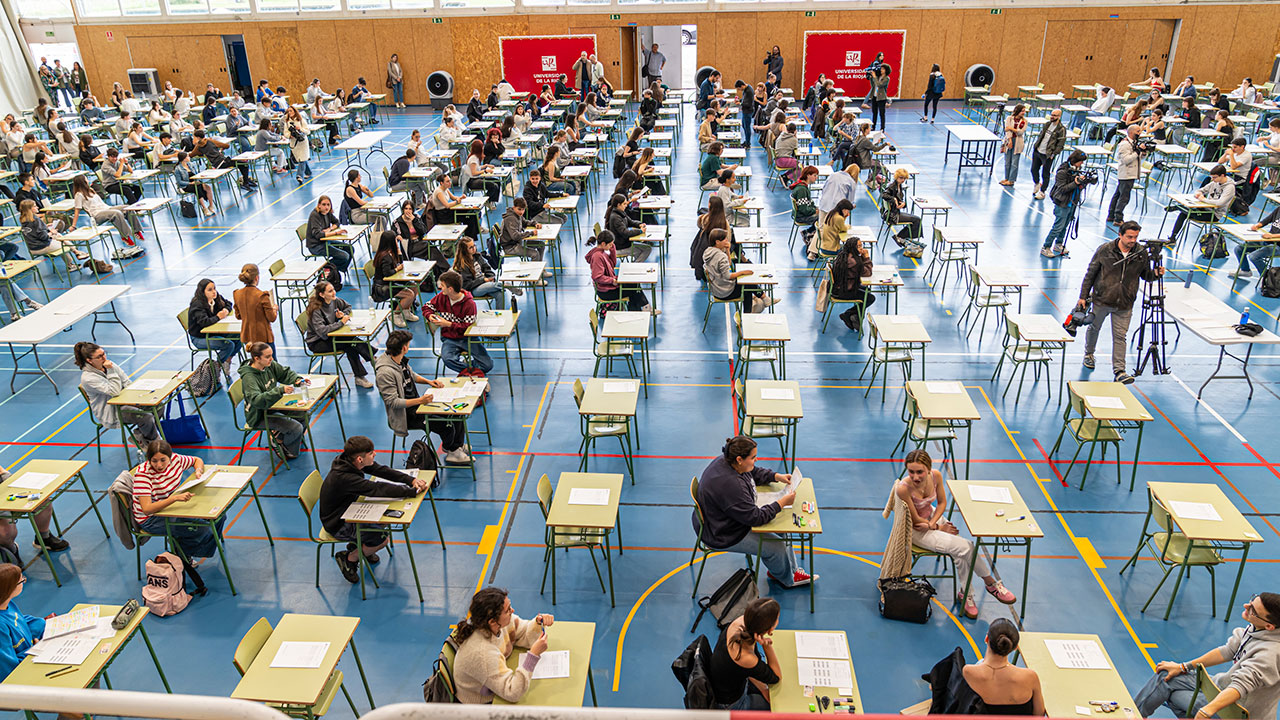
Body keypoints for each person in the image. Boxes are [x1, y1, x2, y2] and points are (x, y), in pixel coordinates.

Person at [897, 449, 1015, 617]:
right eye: (911, 472)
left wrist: (934, 522)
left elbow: (942, 503)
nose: (915, 477)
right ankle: (990, 582)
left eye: (920, 472)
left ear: (929, 469)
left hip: (931, 520)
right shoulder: (903, 489)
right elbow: (916, 522)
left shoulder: (936, 476)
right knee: (967, 547)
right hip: (917, 532)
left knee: (960, 553)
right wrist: (938, 528)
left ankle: (966, 594)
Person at [1134, 592, 1280, 720]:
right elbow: (1227, 651)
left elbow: (1240, 686)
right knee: (1166, 675)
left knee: (1172, 695)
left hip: (1236, 710)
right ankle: (1134, 714)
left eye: (1253, 610)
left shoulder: (1269, 654)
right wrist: (1183, 667)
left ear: (1269, 626)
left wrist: (1207, 711)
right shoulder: (1257, 628)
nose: (1245, 606)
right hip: (1221, 687)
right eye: (1251, 600)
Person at [694, 436, 814, 587]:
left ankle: (789, 570)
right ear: (739, 459)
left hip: (724, 520)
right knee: (777, 548)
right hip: (723, 533)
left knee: (782, 528)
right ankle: (786, 579)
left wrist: (776, 476)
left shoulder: (728, 461)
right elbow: (755, 518)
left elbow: (752, 472)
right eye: (753, 457)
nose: (756, 460)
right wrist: (781, 503)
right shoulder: (730, 485)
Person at [319, 435, 427, 582]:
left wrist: (410, 480)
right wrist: (410, 492)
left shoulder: (348, 461)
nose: (374, 454)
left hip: (348, 509)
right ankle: (349, 558)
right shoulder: (344, 477)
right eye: (371, 453)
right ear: (360, 459)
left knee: (384, 522)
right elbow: (377, 489)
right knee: (382, 540)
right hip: (338, 523)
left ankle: (361, 546)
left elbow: (382, 470)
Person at [1078, 221, 1163, 384]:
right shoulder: (1105, 250)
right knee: (1094, 328)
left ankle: (1120, 371)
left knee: (1120, 336)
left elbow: (1145, 275)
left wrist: (1156, 274)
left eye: (1135, 237)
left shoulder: (1140, 252)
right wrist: (1083, 296)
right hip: (1103, 299)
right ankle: (1089, 354)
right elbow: (1091, 273)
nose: (1133, 240)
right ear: (1120, 235)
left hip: (1125, 302)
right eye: (1129, 237)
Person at [130, 440, 219, 593]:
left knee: (218, 517)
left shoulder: (176, 460)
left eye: (163, 460)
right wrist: (173, 499)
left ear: (170, 457)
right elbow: (147, 509)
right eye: (154, 461)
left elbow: (197, 460)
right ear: (148, 460)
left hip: (171, 508)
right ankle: (183, 558)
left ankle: (185, 553)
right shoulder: (143, 476)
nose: (159, 465)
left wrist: (199, 471)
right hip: (151, 519)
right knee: (202, 529)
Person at [375, 330, 471, 466]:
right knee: (446, 425)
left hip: (418, 406)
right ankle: (452, 451)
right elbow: (393, 402)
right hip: (407, 415)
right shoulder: (385, 373)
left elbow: (412, 375)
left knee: (455, 413)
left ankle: (456, 446)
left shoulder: (399, 360)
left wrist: (429, 382)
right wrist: (421, 401)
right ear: (404, 348)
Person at [451, 586, 554, 704]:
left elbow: (523, 633)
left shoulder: (499, 624)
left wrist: (537, 623)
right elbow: (513, 692)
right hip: (481, 705)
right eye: (508, 610)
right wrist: (533, 656)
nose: (513, 611)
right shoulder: (482, 653)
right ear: (492, 621)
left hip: (494, 686)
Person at [75, 341, 161, 453]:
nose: (104, 357)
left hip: (127, 400)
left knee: (157, 404)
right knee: (145, 417)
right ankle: (155, 446)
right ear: (89, 360)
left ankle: (140, 437)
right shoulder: (88, 378)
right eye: (99, 356)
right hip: (113, 410)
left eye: (104, 353)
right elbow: (114, 391)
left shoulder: (109, 364)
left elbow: (126, 381)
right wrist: (110, 371)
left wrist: (138, 397)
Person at [707, 597, 781, 710]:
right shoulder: (745, 656)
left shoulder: (740, 622)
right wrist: (767, 647)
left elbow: (746, 668)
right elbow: (776, 677)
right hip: (729, 703)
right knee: (775, 707)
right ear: (770, 630)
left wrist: (762, 688)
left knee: (765, 690)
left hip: (725, 682)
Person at [238, 343, 308, 460]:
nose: (272, 359)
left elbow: (284, 373)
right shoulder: (249, 378)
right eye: (268, 356)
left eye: (271, 355)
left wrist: (297, 380)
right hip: (258, 415)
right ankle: (284, 448)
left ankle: (282, 438)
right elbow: (256, 400)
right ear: (257, 359)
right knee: (296, 428)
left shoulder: (268, 365)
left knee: (303, 414)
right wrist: (279, 390)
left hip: (272, 405)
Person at [965, 619, 1045, 715]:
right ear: (1015, 647)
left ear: (986, 639)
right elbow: (1039, 714)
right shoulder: (1031, 677)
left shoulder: (968, 672)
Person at [305, 281, 375, 388]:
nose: (334, 293)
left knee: (350, 344)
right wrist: (341, 323)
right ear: (322, 295)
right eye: (330, 291)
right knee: (348, 342)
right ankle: (371, 358)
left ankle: (360, 376)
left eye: (333, 289)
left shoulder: (334, 301)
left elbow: (348, 307)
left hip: (331, 336)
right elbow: (323, 331)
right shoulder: (316, 310)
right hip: (318, 342)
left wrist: (343, 315)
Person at [427, 270, 494, 375]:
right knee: (448, 359)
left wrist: (448, 324)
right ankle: (473, 372)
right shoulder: (441, 297)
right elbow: (427, 307)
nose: (440, 288)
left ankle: (468, 370)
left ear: (450, 289)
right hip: (450, 338)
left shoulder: (469, 304)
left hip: (468, 338)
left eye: (443, 285)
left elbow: (467, 327)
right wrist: (429, 315)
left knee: (488, 365)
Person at [587, 230, 656, 315]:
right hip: (606, 292)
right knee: (634, 288)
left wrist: (613, 249)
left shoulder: (602, 253)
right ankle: (643, 309)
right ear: (603, 244)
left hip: (609, 286)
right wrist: (612, 280)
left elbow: (612, 264)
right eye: (610, 244)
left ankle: (638, 311)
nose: (611, 246)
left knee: (634, 284)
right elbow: (597, 277)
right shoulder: (597, 256)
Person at [69, 176, 144, 253]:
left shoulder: (91, 190)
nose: (88, 180)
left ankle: (136, 230)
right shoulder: (79, 195)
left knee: (127, 208)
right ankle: (125, 236)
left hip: (106, 208)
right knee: (116, 213)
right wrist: (73, 226)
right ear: (83, 182)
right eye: (86, 179)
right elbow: (77, 211)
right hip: (97, 215)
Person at [1039, 149, 1090, 258]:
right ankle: (1046, 246)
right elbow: (1062, 189)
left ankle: (1059, 244)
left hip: (1072, 202)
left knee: (1065, 225)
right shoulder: (1062, 172)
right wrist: (1075, 183)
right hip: (1062, 202)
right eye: (1081, 161)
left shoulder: (1077, 170)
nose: (1082, 164)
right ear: (1075, 160)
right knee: (1058, 226)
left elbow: (1078, 187)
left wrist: (1083, 182)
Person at [188, 278, 241, 380]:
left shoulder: (216, 298)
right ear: (202, 292)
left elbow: (228, 304)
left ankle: (227, 361)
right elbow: (204, 322)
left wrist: (225, 310)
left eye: (214, 288)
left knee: (239, 336)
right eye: (210, 290)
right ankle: (216, 368)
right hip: (200, 337)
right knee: (228, 345)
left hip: (213, 332)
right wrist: (218, 317)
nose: (214, 292)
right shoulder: (197, 305)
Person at [19, 199, 90, 274]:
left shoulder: (24, 220)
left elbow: (34, 232)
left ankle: (77, 252)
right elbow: (44, 237)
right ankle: (70, 264)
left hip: (32, 248)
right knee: (61, 244)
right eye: (34, 206)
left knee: (58, 235)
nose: (37, 207)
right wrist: (51, 232)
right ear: (29, 209)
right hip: (41, 247)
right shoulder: (36, 220)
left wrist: (45, 227)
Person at [1166, 165, 1235, 242]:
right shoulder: (1215, 182)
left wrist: (1204, 199)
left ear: (1222, 175)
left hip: (1213, 214)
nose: (1212, 179)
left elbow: (1220, 203)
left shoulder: (1230, 187)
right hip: (1205, 208)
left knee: (1186, 212)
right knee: (1183, 213)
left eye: (1214, 177)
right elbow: (1200, 190)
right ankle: (1172, 238)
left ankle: (1179, 207)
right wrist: (1199, 194)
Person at [703, 227, 764, 313]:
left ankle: (762, 298)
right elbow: (728, 276)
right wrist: (742, 272)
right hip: (724, 292)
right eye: (724, 239)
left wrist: (727, 250)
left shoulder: (708, 252)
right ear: (717, 242)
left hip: (716, 289)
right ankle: (750, 312)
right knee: (747, 286)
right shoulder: (720, 256)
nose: (727, 240)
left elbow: (727, 264)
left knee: (747, 285)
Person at [455, 235, 511, 310]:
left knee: (500, 293)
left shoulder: (477, 256)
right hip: (473, 289)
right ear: (464, 250)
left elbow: (487, 268)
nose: (474, 248)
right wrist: (483, 280)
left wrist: (490, 277)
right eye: (470, 247)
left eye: (474, 245)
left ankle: (500, 315)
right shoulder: (462, 265)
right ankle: (505, 285)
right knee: (492, 286)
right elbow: (467, 285)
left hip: (485, 283)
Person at [831, 235, 874, 331]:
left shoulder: (844, 255)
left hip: (837, 288)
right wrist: (866, 258)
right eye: (858, 246)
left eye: (861, 245)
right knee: (870, 297)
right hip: (843, 292)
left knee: (866, 290)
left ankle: (856, 317)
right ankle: (849, 314)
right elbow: (867, 273)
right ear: (852, 247)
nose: (861, 248)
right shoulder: (854, 262)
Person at [233, 263, 278, 352]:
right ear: (257, 278)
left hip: (247, 335)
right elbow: (272, 318)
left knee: (255, 361)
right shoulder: (262, 295)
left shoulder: (237, 294)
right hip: (263, 336)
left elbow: (238, 316)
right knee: (271, 363)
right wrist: (274, 309)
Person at [307, 195, 355, 277]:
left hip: (326, 240)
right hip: (316, 246)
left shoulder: (327, 213)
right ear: (319, 205)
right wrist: (335, 233)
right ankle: (324, 269)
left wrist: (330, 229)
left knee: (350, 248)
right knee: (344, 256)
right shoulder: (314, 215)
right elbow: (318, 235)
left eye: (328, 205)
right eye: (324, 204)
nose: (326, 207)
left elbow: (336, 222)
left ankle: (335, 272)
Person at [1106, 125, 1145, 225]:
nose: (1140, 133)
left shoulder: (1134, 143)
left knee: (1118, 195)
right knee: (1124, 197)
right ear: (1131, 133)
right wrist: (1137, 151)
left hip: (1131, 173)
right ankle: (1118, 218)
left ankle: (1111, 215)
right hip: (1126, 174)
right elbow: (1126, 160)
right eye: (1138, 131)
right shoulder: (1124, 144)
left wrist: (1143, 152)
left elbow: (1138, 158)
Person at [1230, 207, 1280, 281]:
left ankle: (1267, 280)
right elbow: (1268, 219)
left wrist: (1272, 236)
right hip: (1268, 240)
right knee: (1239, 249)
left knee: (1254, 257)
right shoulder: (1279, 209)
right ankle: (1245, 270)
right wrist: (1257, 225)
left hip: (1277, 245)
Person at [1030, 109, 1066, 200]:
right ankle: (1037, 183)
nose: (1052, 117)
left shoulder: (1061, 129)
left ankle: (1042, 192)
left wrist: (1053, 154)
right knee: (1034, 169)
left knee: (1045, 174)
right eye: (1052, 115)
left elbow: (1061, 144)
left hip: (1048, 154)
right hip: (1038, 150)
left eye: (1055, 115)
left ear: (1059, 117)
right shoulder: (1047, 124)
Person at [1000, 103, 1027, 186]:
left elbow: (1020, 132)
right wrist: (1010, 140)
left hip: (1018, 142)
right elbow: (1006, 130)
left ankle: (1011, 180)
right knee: (1007, 161)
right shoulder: (1009, 118)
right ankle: (1007, 178)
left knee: (1014, 163)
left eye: (1024, 111)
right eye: (1022, 111)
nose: (1023, 113)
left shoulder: (1024, 121)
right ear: (1017, 111)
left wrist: (1011, 128)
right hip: (1009, 141)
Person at [284, 106, 313, 183]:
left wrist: (300, 129)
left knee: (302, 159)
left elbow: (307, 131)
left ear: (294, 111)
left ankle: (299, 175)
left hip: (302, 142)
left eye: (291, 111)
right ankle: (308, 172)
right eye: (288, 111)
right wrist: (290, 135)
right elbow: (285, 133)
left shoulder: (301, 120)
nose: (289, 112)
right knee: (301, 158)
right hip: (294, 143)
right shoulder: (287, 122)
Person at [870, 65, 891, 131]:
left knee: (882, 113)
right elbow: (873, 84)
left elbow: (879, 85)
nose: (881, 70)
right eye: (881, 69)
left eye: (883, 69)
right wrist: (871, 77)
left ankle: (882, 127)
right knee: (874, 112)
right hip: (874, 96)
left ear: (886, 70)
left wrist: (874, 77)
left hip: (881, 97)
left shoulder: (886, 78)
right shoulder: (878, 77)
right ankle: (873, 126)